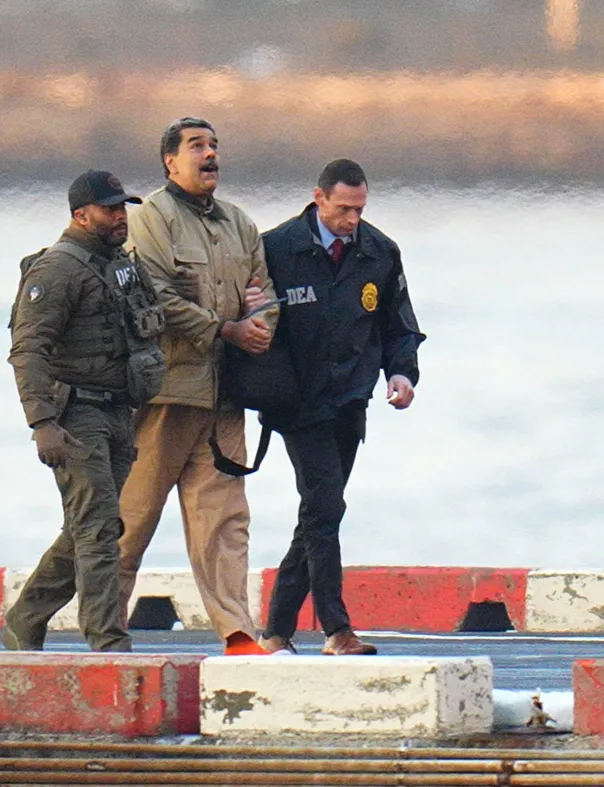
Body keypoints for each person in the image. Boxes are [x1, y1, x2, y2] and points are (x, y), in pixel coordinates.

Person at [117, 117, 280, 656]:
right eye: (196, 147)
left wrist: (259, 330)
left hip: (225, 398)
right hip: (167, 394)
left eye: (214, 146)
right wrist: (224, 328)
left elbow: (266, 295)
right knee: (131, 518)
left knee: (226, 520)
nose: (209, 155)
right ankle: (106, 628)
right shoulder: (151, 221)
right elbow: (156, 297)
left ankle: (238, 632)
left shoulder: (240, 224)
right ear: (170, 161)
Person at [259, 158, 425, 656]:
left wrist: (401, 373)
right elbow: (251, 319)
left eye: (360, 209)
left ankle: (275, 632)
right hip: (297, 402)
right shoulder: (276, 248)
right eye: (343, 209)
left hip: (350, 399)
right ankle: (336, 629)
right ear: (319, 198)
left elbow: (398, 325)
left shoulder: (379, 251)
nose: (352, 220)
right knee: (326, 505)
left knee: (318, 512)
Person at [2, 170, 165, 652]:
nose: (121, 217)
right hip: (76, 416)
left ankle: (25, 617)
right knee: (96, 527)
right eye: (110, 209)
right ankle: (106, 641)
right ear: (80, 214)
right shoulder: (57, 270)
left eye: (123, 209)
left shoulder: (119, 265)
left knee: (91, 526)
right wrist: (42, 423)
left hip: (118, 410)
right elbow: (28, 350)